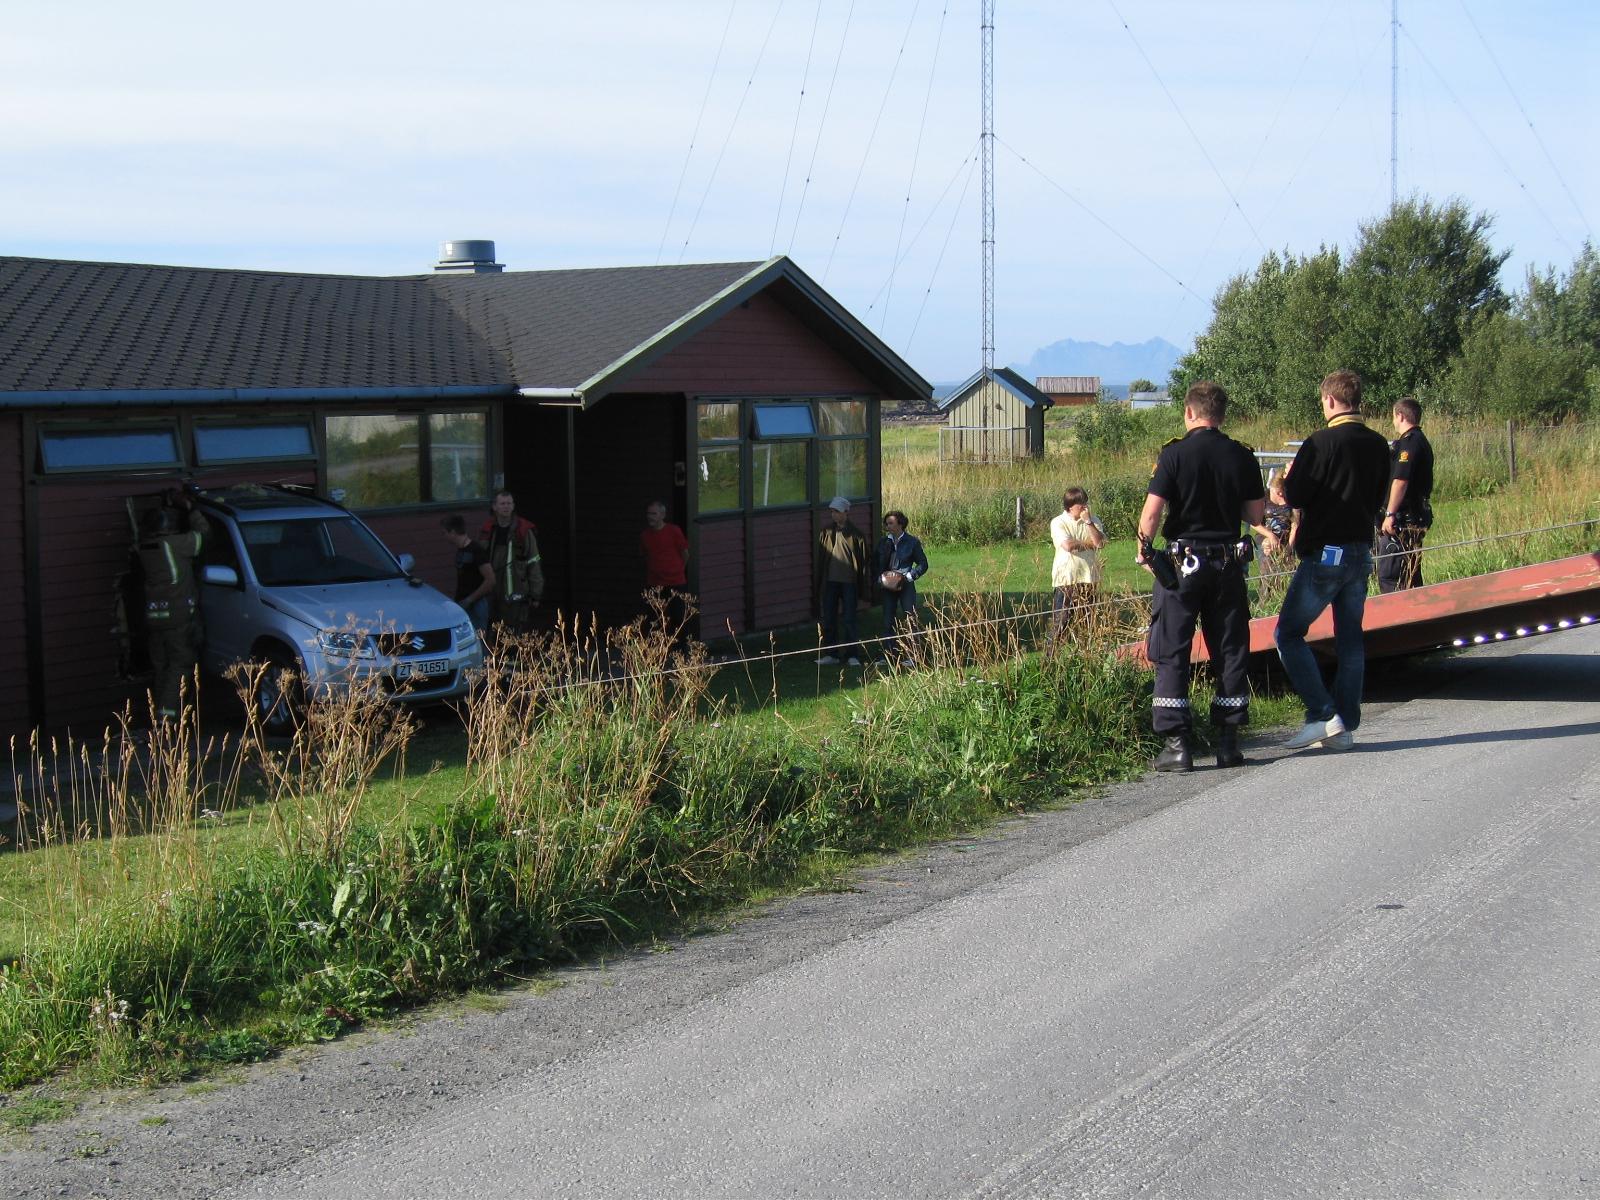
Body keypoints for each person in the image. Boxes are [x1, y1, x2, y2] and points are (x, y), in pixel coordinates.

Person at [1135, 381, 1265, 772]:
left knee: (1172, 649)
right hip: (1226, 565)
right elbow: (1255, 515)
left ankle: (1177, 746)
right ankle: (1228, 743)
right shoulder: (1242, 455)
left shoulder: (1173, 454)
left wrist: (1144, 550)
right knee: (1229, 649)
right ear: (1221, 415)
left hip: (1181, 567)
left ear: (1190, 412)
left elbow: (1152, 512)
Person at [1276, 369, 1392, 751]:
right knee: (1350, 639)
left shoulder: (1320, 442)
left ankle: (1322, 714)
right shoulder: (1379, 444)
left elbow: (1295, 496)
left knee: (1288, 633)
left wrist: (1285, 480)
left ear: (1329, 400)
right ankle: (1345, 724)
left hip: (1327, 551)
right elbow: (1380, 495)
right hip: (1361, 548)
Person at [134, 491, 211, 723]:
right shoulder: (174, 544)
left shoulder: (144, 546)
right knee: (180, 664)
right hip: (178, 617)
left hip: (154, 617)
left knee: (161, 666)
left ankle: (158, 716)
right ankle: (167, 720)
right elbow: (204, 536)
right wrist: (191, 509)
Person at [1376, 395, 1435, 593]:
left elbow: (1401, 480)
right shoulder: (1418, 441)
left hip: (1402, 520)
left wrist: (1390, 513)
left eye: (1393, 416)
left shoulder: (1409, 444)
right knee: (1410, 575)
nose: (1393, 421)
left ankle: (1398, 612)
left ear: (1400, 416)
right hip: (1413, 516)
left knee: (1391, 576)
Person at [814, 496, 871, 666]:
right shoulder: (826, 532)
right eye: (832, 511)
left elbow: (864, 560)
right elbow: (821, 558)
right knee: (829, 618)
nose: (834, 515)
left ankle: (852, 654)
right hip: (830, 582)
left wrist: (862, 583)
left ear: (846, 512)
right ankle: (831, 654)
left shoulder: (856, 535)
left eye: (837, 512)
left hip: (849, 583)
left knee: (849, 619)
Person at [479, 490, 544, 634]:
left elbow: (534, 562)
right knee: (492, 632)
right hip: (491, 593)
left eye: (509, 503)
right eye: (502, 503)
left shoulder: (523, 530)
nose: (506, 507)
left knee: (514, 634)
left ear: (513, 506)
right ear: (495, 507)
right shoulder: (488, 530)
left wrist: (535, 594)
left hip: (516, 593)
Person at [1049, 487, 1105, 645]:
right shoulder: (1058, 522)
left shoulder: (1093, 521)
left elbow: (1100, 543)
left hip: (1089, 578)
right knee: (1061, 622)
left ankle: (1087, 653)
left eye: (1085, 502)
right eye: (1081, 504)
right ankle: (1050, 656)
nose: (1085, 507)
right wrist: (1089, 544)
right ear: (1070, 506)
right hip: (1066, 579)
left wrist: (1088, 523)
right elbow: (1068, 546)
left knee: (1088, 622)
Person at [876, 510, 929, 664]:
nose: (887, 526)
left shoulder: (912, 542)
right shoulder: (883, 542)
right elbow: (875, 562)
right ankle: (889, 655)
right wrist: (879, 578)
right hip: (887, 584)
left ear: (900, 524)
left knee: (910, 617)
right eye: (886, 524)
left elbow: (923, 563)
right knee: (888, 619)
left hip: (905, 584)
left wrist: (910, 576)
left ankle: (914, 656)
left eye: (890, 523)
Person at [640, 499, 691, 648]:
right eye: (649, 514)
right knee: (654, 618)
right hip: (655, 583)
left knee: (678, 616)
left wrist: (679, 569)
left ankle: (680, 650)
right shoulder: (645, 535)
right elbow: (645, 555)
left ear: (662, 515)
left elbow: (685, 553)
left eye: (654, 514)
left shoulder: (673, 531)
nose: (650, 517)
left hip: (676, 581)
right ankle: (656, 650)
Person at [442, 514, 493, 631]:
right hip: (463, 603)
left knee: (478, 638)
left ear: (453, 532)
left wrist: (470, 599)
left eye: (445, 533)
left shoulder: (476, 550)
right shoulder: (461, 550)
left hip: (477, 605)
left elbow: (490, 580)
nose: (444, 536)